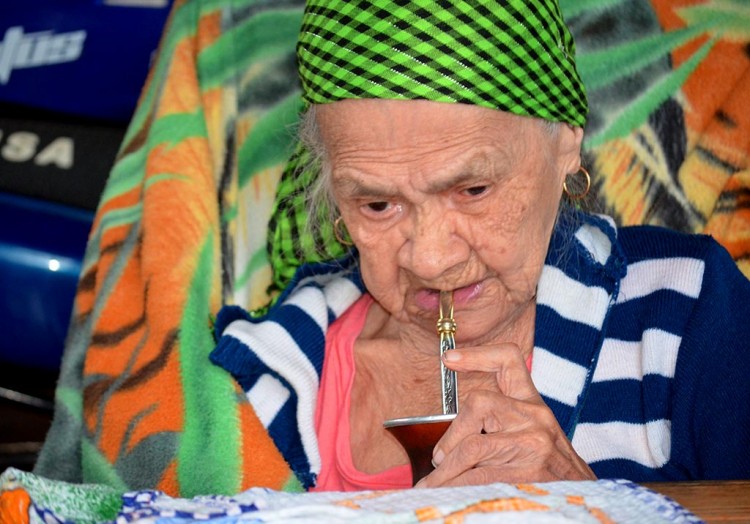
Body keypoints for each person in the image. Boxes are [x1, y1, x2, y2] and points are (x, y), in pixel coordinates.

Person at [211, 0, 750, 492]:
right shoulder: (270, 372)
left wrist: (583, 500)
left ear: (565, 140)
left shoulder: (688, 315)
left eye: (472, 190)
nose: (430, 259)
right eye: (377, 204)